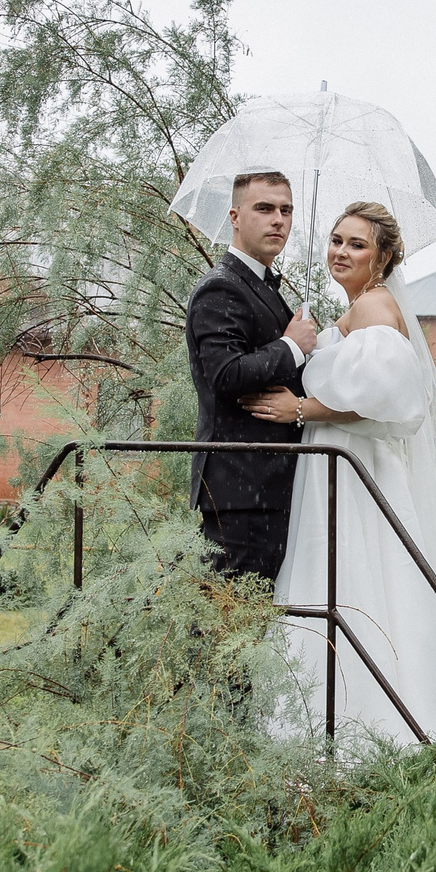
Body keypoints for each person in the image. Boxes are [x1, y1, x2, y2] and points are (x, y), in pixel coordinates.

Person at [240, 201, 436, 752]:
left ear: (381, 258)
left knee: (356, 571)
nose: (341, 251)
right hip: (336, 463)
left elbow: (389, 399)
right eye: (336, 240)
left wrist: (303, 410)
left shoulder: (376, 308)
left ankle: (367, 726)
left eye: (357, 245)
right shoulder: (359, 307)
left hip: (354, 466)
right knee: (343, 572)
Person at [183, 171, 318, 580]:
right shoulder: (220, 289)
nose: (279, 219)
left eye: (286, 210)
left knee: (252, 622)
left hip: (267, 486)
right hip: (240, 488)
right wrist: (292, 346)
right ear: (235, 216)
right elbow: (225, 376)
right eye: (265, 208)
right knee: (229, 622)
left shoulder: (264, 287)